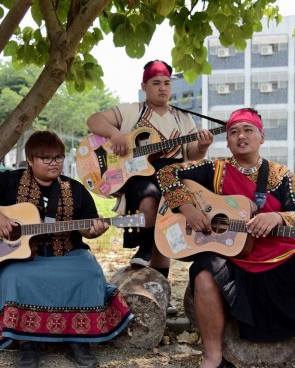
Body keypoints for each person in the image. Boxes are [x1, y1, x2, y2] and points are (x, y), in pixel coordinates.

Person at [156, 108, 295, 368]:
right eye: (234, 132)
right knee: (203, 273)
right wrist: (189, 209)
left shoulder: (281, 175)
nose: (240, 136)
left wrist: (278, 218)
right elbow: (167, 173)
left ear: (262, 136)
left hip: (279, 256)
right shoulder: (216, 169)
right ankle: (212, 359)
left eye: (248, 130)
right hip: (232, 257)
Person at [0, 130, 133, 368]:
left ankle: (79, 340)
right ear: (30, 160)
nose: (54, 163)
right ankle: (27, 344)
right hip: (23, 258)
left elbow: (87, 229)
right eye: (46, 158)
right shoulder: (9, 181)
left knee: (90, 272)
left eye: (58, 157)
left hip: (67, 255)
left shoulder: (74, 189)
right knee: (13, 276)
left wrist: (94, 231)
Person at [86, 60, 214, 313]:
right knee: (151, 200)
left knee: (166, 230)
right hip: (139, 177)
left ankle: (160, 296)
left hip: (174, 178)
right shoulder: (131, 111)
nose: (163, 88)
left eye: (167, 83)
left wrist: (203, 145)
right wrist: (115, 134)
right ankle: (145, 245)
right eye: (156, 83)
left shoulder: (183, 117)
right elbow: (94, 120)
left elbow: (192, 154)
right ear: (144, 86)